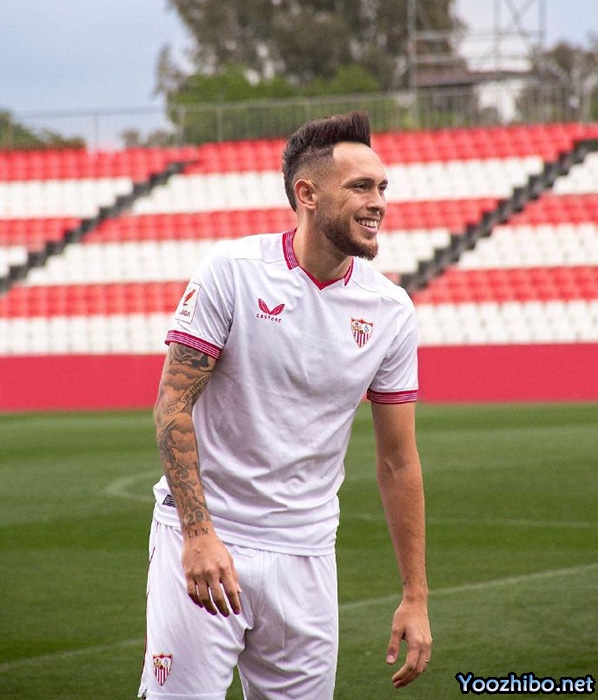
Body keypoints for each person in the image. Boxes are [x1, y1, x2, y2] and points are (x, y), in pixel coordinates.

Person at [138, 111, 432, 700]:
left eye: (382, 187)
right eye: (360, 186)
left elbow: (398, 461)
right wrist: (197, 534)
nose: (378, 202)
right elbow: (172, 406)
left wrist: (415, 595)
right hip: (207, 538)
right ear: (307, 194)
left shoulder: (392, 310)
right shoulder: (233, 273)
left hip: (306, 555)